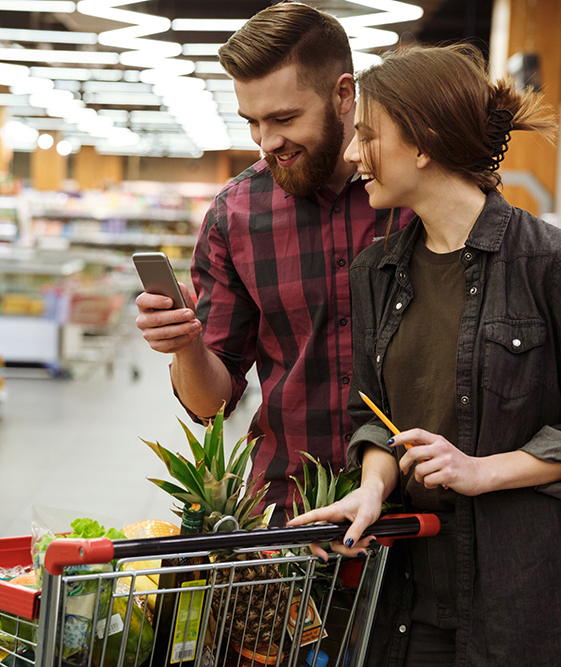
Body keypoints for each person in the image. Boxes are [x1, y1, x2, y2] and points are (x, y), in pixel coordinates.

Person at [288, 43, 561, 666]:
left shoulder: (552, 263)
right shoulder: (377, 271)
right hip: (414, 594)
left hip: (532, 602)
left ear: (422, 142)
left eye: (367, 136)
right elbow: (374, 413)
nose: (351, 155)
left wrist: (482, 470)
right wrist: (373, 488)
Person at [135, 1, 411, 516]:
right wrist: (186, 344)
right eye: (253, 122)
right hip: (291, 509)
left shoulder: (412, 191)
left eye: (284, 118)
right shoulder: (235, 214)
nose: (268, 143)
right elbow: (209, 406)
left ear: (344, 94)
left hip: (420, 504)